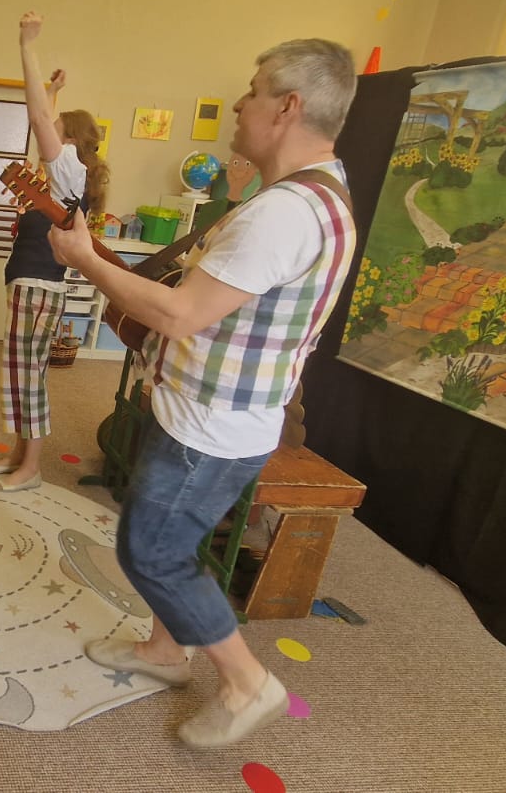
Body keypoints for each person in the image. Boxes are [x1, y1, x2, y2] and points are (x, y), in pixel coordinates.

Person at [50, 38, 358, 748]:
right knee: (176, 542)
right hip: (221, 414)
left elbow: (179, 314)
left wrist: (86, 259)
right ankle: (166, 650)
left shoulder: (283, 213)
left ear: (288, 107)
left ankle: (248, 683)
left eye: (254, 90)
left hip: (210, 427)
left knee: (151, 551)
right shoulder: (320, 194)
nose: (240, 105)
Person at [0, 11, 109, 493]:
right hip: (31, 288)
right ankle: (20, 456)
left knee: (28, 378)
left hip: (38, 290)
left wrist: (27, 46)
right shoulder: (65, 177)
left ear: (70, 141)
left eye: (57, 129)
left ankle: (31, 468)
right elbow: (43, 123)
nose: (45, 134)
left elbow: (37, 119)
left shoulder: (71, 170)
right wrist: (54, 91)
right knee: (20, 374)